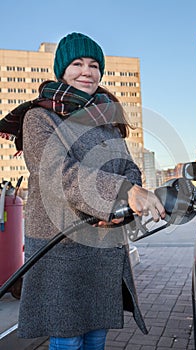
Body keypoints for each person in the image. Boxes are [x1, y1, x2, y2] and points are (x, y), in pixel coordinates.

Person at [1, 32, 165, 350]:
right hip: (60, 251)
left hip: (102, 250)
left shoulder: (106, 119)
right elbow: (59, 176)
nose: (87, 71)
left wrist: (127, 196)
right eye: (77, 63)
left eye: (93, 64)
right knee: (69, 340)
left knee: (96, 338)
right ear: (62, 70)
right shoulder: (38, 117)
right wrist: (121, 193)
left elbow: (129, 168)